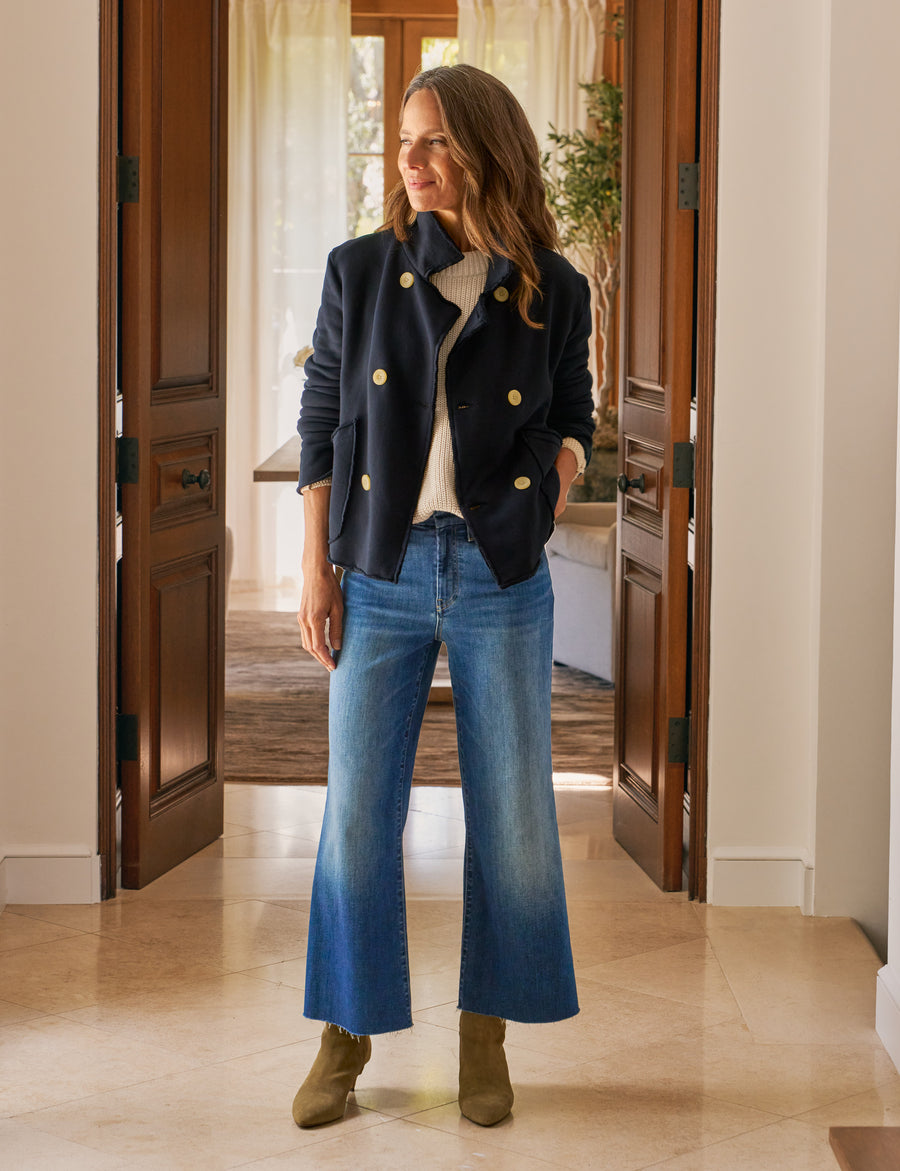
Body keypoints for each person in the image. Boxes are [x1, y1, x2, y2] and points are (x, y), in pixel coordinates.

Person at [293, 63, 594, 1129]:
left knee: (513, 817)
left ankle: (485, 1034)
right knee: (357, 813)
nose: (410, 162)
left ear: (484, 150)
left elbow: (573, 417)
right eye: (404, 141)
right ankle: (347, 1031)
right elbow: (322, 420)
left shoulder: (553, 286)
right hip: (380, 567)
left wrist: (547, 492)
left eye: (434, 142)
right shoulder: (361, 269)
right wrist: (316, 565)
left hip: (500, 572)